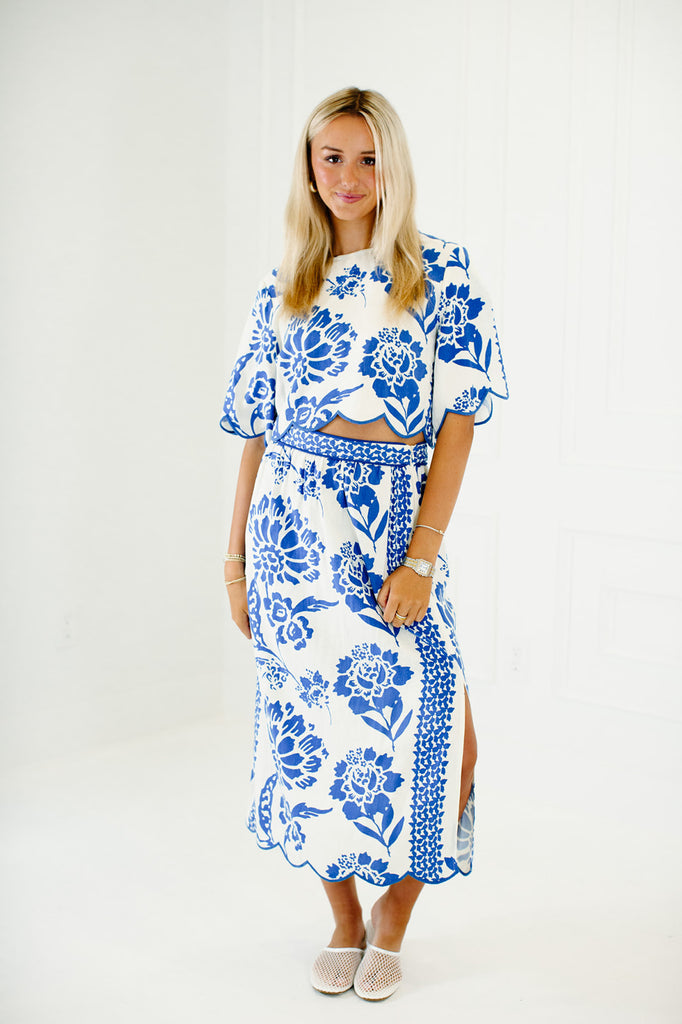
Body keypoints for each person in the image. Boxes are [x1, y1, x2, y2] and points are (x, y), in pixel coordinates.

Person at [220, 86, 508, 1000]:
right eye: (332, 157)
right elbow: (255, 433)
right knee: (309, 733)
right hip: (292, 541)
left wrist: (421, 557)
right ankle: (344, 918)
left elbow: (459, 420)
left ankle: (396, 916)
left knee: (450, 741)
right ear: (309, 169)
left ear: (395, 165)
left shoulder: (439, 271)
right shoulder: (283, 287)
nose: (349, 176)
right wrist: (234, 560)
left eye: (369, 158)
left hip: (389, 535)